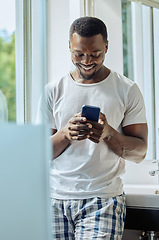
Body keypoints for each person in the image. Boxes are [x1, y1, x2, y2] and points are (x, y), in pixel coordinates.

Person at [36, 17, 148, 239]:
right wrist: (65, 134)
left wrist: (109, 134)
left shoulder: (127, 90)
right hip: (54, 200)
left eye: (95, 54)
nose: (87, 61)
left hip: (103, 200)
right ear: (69, 45)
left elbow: (140, 153)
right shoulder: (52, 91)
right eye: (79, 53)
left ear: (106, 46)